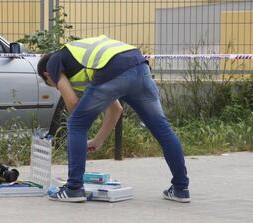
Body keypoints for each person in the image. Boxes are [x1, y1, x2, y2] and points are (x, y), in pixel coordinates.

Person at [38, 35, 190, 203]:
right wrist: (98, 140)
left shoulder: (53, 63)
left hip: (114, 69)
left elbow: (73, 104)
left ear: (47, 75)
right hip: (139, 65)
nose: (57, 87)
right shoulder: (84, 65)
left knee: (75, 123)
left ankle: (73, 189)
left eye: (52, 84)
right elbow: (116, 109)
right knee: (162, 128)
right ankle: (180, 189)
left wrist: (77, 122)